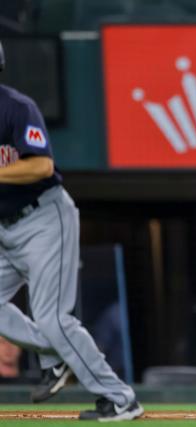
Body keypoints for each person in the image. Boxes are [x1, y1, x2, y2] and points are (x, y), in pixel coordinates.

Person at [0, 41, 143, 421]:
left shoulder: (16, 107)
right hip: (5, 229)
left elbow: (41, 166)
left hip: (45, 218)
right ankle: (53, 352)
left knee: (54, 317)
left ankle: (119, 397)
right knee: (49, 326)